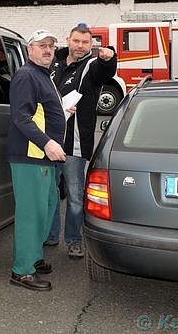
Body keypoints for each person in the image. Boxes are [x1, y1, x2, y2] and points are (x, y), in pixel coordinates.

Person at [46, 23, 117, 258]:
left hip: (74, 144)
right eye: (76, 41)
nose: (80, 46)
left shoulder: (91, 65)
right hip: (48, 141)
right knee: (50, 193)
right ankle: (51, 234)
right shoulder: (53, 62)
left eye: (85, 42)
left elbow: (103, 72)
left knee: (76, 197)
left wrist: (108, 59)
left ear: (91, 45)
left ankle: (74, 240)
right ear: (69, 40)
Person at [6, 29, 67, 291]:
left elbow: (40, 111)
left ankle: (34, 257)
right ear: (30, 49)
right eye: (42, 45)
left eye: (51, 46)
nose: (48, 50)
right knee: (31, 213)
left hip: (43, 157)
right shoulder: (26, 75)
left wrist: (63, 111)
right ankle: (22, 271)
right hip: (31, 156)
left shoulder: (42, 75)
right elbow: (21, 117)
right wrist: (47, 142)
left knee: (47, 207)